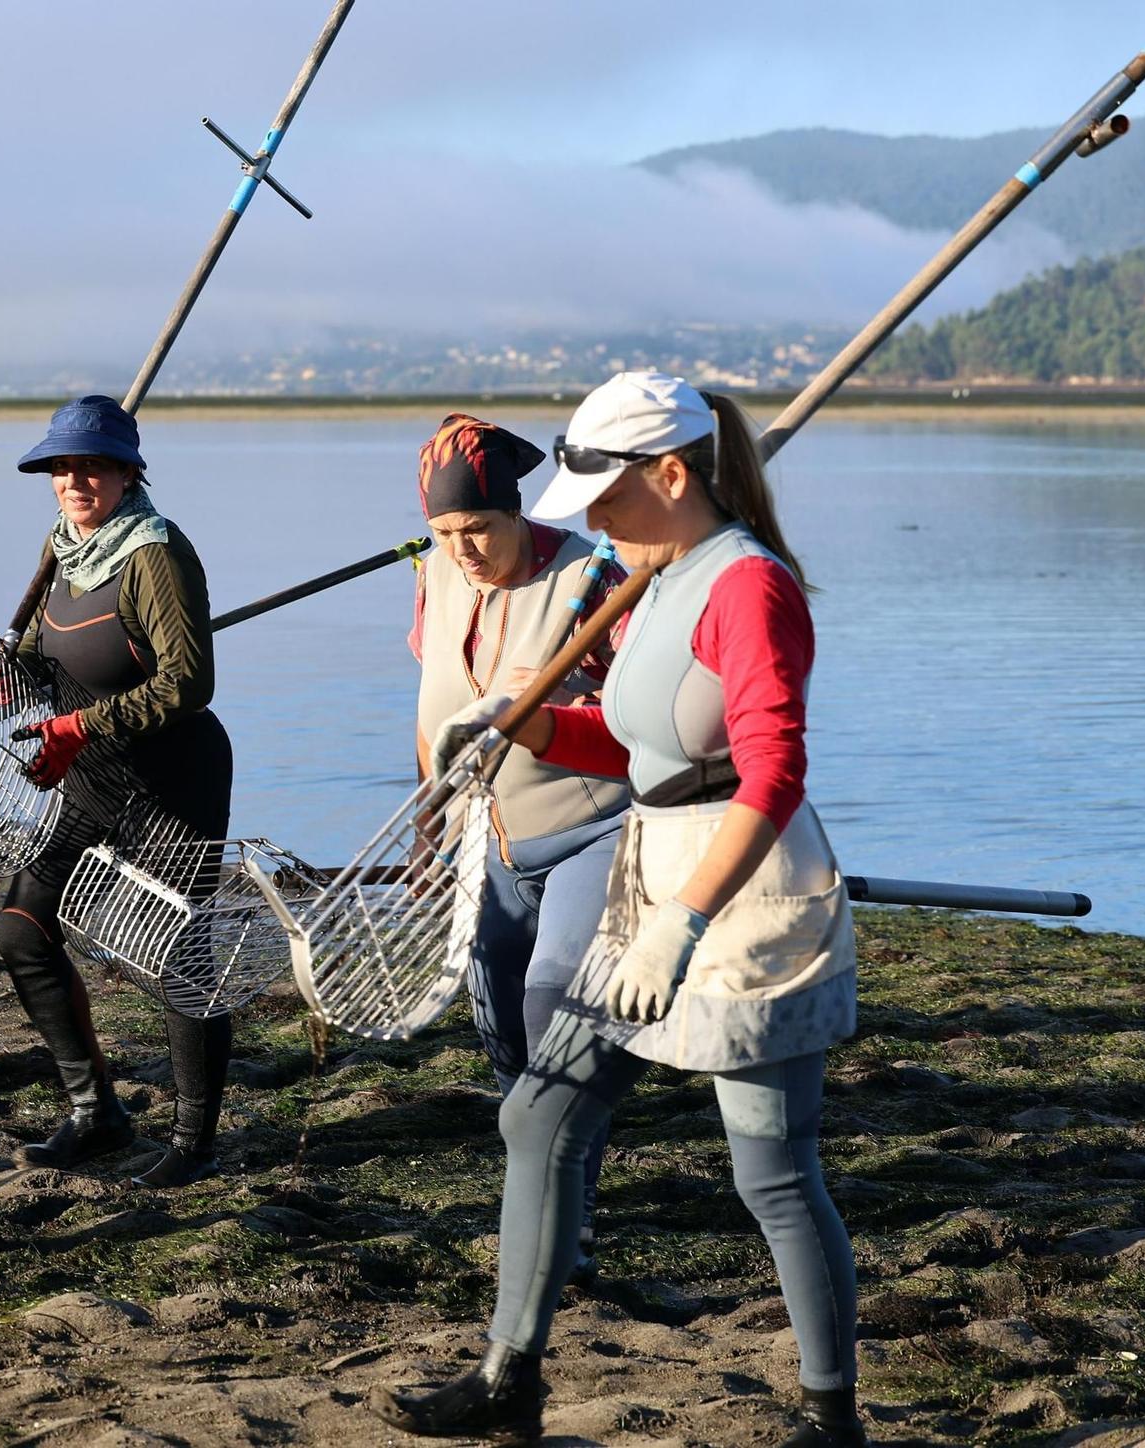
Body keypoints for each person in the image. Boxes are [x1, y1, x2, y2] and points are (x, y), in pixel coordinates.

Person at [379, 372, 863, 1447]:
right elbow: (639, 747)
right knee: (536, 1114)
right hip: (647, 871)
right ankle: (509, 1375)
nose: (587, 520)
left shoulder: (747, 587)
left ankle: (831, 1418)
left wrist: (682, 921)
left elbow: (768, 773)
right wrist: (531, 727)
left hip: (741, 900)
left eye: (602, 495)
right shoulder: (657, 573)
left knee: (773, 1174)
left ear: (671, 474)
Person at [0, 395, 233, 1189]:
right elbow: (40, 653)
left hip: (171, 779)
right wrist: (13, 676)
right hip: (89, 779)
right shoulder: (63, 547)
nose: (75, 480)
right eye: (62, 467)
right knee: (23, 931)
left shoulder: (156, 555)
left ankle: (195, 1144)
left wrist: (81, 725)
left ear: (129, 472)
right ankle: (96, 1114)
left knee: (179, 955)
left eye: (92, 465)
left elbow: (188, 683)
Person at [409, 413, 630, 1263]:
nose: (464, 550)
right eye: (445, 532)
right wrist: (429, 818)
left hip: (595, 826)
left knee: (552, 1000)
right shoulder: (437, 575)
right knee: (499, 1019)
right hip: (489, 832)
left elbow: (648, 721)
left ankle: (567, 1216)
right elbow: (437, 705)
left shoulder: (593, 576)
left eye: (480, 530)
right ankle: (542, 1171)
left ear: (517, 512)